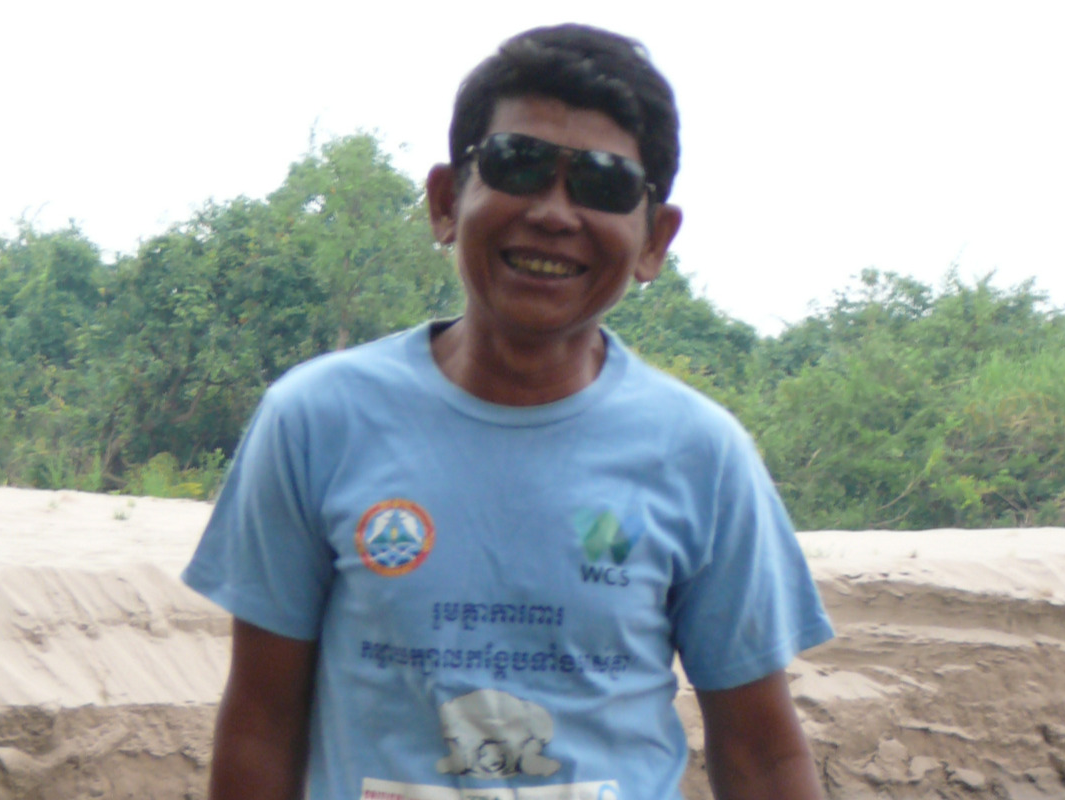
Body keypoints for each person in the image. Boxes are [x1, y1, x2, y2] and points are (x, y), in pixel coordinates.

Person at [183, 23, 834, 800]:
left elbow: (761, 753)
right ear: (445, 202)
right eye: (517, 165)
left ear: (654, 241)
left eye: (603, 184)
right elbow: (261, 723)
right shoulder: (315, 422)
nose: (554, 214)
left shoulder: (703, 455)